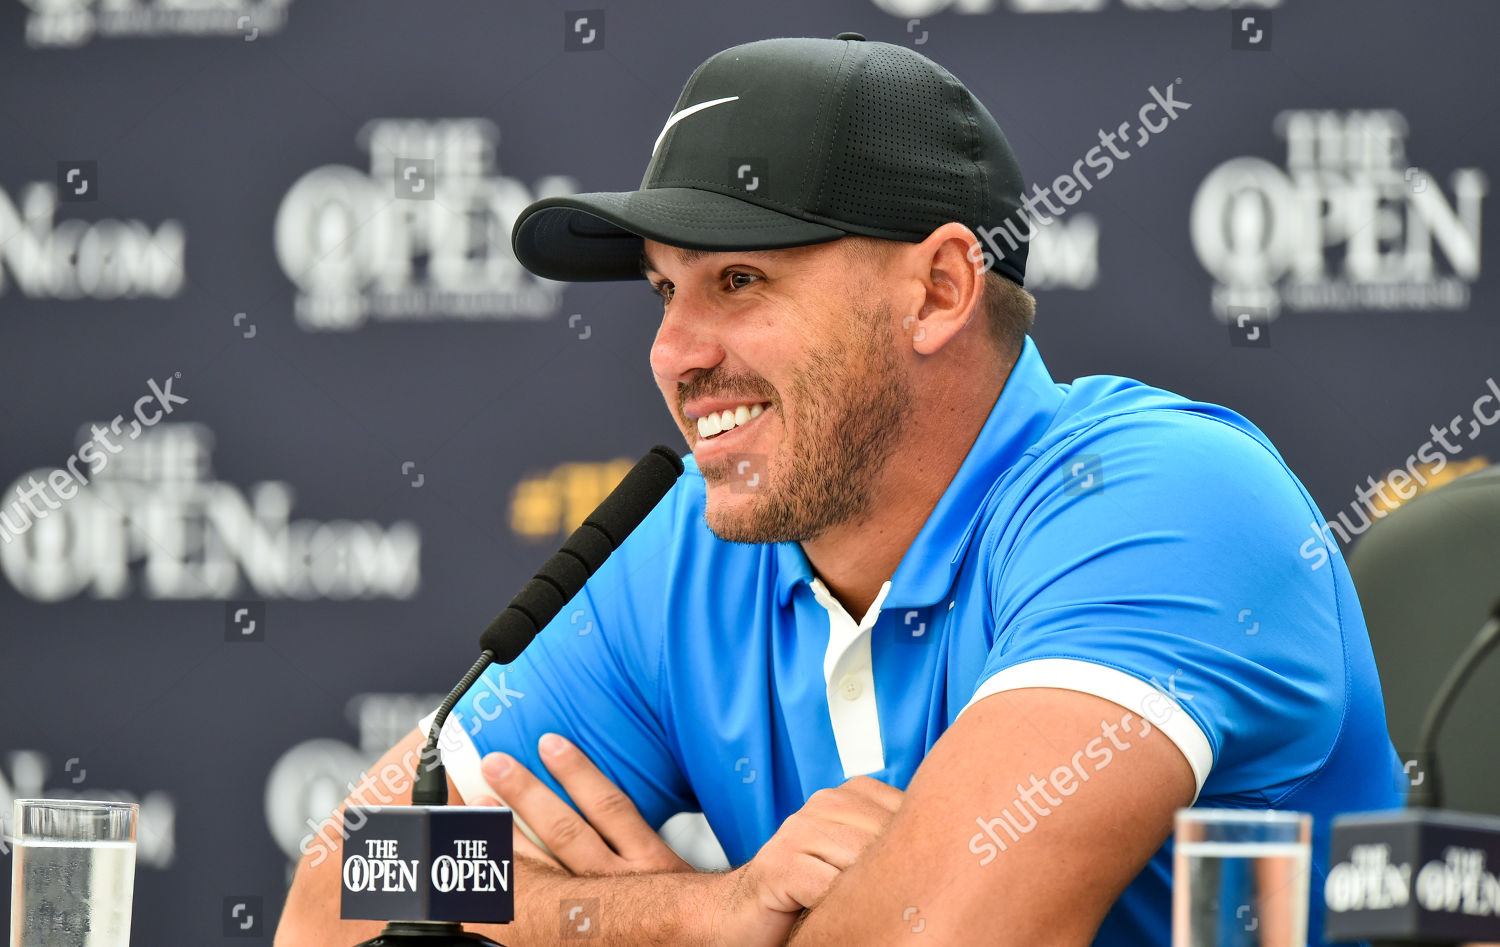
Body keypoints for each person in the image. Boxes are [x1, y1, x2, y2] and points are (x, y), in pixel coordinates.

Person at [277, 34, 1401, 946]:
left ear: (941, 287)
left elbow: (936, 936)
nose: (675, 351)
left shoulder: (1162, 499)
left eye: (739, 279)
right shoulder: (682, 551)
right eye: (664, 289)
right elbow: (348, 885)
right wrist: (699, 910)